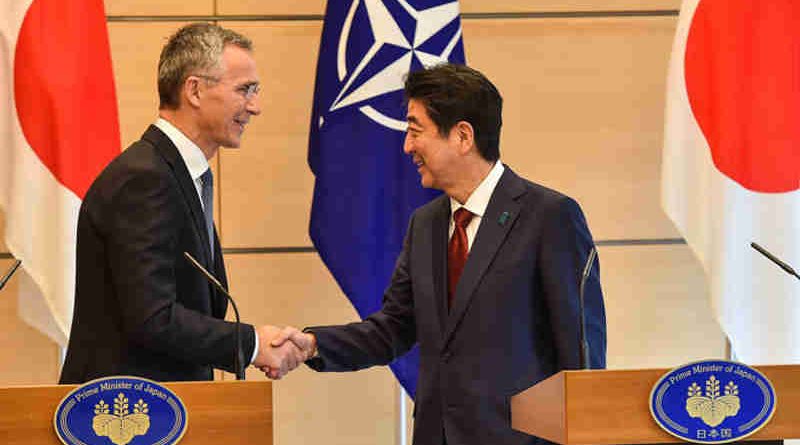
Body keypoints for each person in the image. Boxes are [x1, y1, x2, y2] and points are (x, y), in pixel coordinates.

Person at [268, 63, 607, 445]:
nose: (407, 146)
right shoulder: (425, 224)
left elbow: (579, 352)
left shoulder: (549, 216)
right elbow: (393, 329)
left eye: (415, 131)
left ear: (462, 136)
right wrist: (312, 345)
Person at [60, 23, 305, 384]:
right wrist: (252, 344)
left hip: (168, 411)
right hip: (122, 416)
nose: (256, 107)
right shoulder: (144, 179)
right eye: (244, 90)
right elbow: (153, 317)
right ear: (194, 90)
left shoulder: (173, 173)